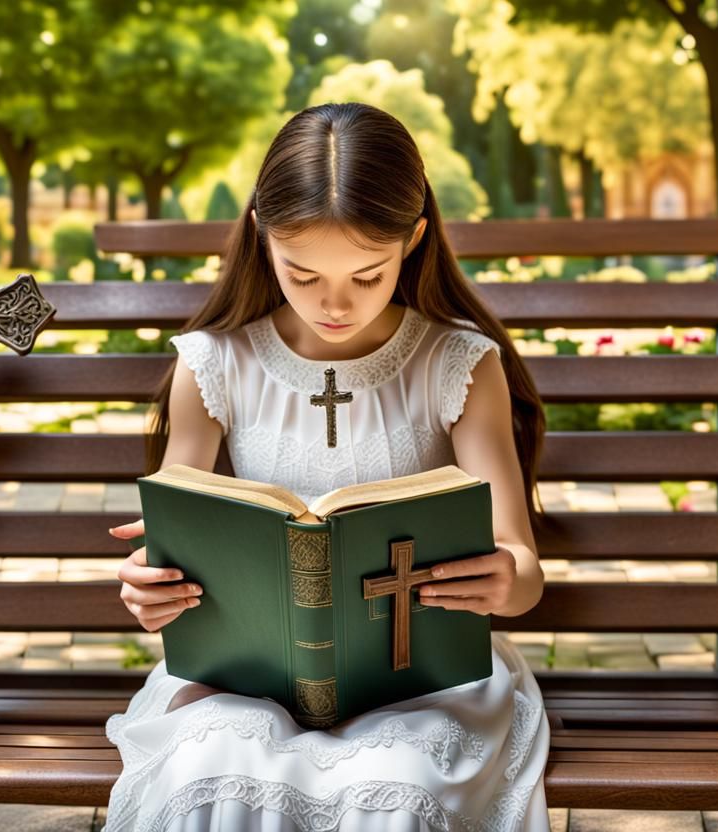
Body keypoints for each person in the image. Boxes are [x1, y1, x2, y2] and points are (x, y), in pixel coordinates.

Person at [104, 101, 551, 832]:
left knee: (395, 789)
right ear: (262, 235)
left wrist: (507, 576)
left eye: (368, 276)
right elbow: (175, 540)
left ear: (413, 239)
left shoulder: (458, 364)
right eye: (302, 273)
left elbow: (524, 570)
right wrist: (153, 589)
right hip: (245, 688)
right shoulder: (215, 364)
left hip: (421, 684)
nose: (334, 305)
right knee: (213, 773)